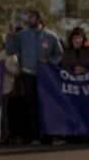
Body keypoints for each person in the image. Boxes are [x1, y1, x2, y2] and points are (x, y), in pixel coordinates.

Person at [5, 9, 64, 145]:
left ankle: (50, 135)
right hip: (28, 74)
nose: (28, 19)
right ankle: (35, 136)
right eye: (27, 17)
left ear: (39, 19)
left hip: (46, 76)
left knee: (47, 105)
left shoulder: (51, 36)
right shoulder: (22, 35)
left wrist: (49, 60)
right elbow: (10, 50)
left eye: (31, 17)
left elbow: (59, 54)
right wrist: (10, 36)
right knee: (31, 106)